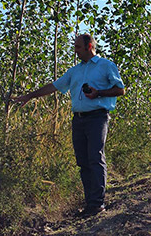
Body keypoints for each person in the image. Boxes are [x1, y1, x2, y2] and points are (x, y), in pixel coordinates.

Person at [11, 34, 126, 217]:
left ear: (89, 47)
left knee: (95, 158)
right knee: (83, 161)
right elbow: (54, 86)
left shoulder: (106, 66)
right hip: (78, 120)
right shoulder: (74, 71)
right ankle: (90, 204)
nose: (75, 51)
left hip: (97, 118)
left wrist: (98, 93)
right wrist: (29, 96)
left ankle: (97, 204)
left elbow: (120, 89)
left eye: (78, 47)